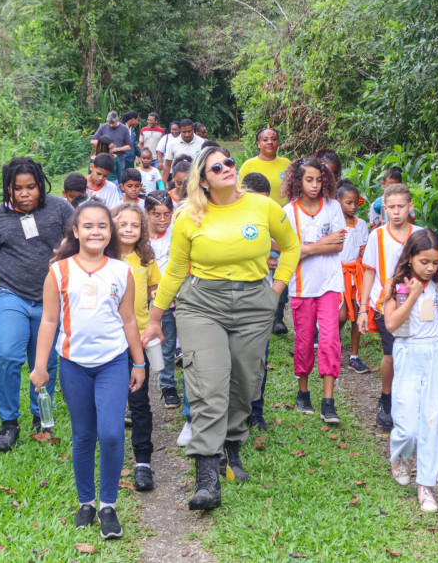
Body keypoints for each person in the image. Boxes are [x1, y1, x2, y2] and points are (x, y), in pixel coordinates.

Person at [138, 146, 299, 511]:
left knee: (244, 382)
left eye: (229, 161)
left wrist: (275, 291)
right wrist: (154, 319)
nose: (228, 168)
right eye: (217, 166)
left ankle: (231, 447)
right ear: (203, 180)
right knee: (208, 384)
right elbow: (177, 269)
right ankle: (207, 479)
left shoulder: (263, 206)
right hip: (201, 306)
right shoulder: (188, 217)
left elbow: (290, 247)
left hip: (254, 301)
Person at [28, 200, 145, 537]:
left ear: (110, 233)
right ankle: (87, 502)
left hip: (112, 363)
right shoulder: (59, 271)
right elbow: (49, 320)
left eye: (102, 226)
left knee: (110, 434)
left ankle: (108, 505)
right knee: (83, 435)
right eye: (89, 226)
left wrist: (138, 361)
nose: (96, 231)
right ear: (76, 231)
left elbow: (129, 320)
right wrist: (39, 367)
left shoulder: (121, 271)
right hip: (73, 364)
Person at [0, 158, 71, 452]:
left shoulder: (59, 209)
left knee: (45, 361)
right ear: (9, 189)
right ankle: (8, 422)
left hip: (51, 298)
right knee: (6, 355)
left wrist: (67, 254)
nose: (25, 193)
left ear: (41, 185)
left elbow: (79, 237)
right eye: (17, 188)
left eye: (31, 186)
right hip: (11, 294)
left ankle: (40, 415)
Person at [380, 228, 438, 513]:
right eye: (424, 262)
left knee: (433, 420)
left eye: (434, 262)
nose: (430, 268)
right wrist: (413, 294)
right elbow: (392, 325)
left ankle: (426, 486)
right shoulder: (394, 284)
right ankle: (399, 457)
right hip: (407, 352)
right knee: (407, 425)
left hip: (434, 352)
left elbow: (436, 311)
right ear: (410, 257)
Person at [281, 157, 347, 423]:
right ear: (298, 180)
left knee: (330, 340)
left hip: (330, 284)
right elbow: (287, 249)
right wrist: (315, 245)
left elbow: (339, 244)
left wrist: (304, 248)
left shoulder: (332, 207)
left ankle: (328, 401)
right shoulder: (288, 211)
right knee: (305, 341)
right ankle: (303, 392)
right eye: (309, 179)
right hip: (301, 287)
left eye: (320, 180)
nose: (315, 185)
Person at [361, 183, 422, 430]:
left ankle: (409, 399)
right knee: (391, 354)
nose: (396, 212)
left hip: (415, 304)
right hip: (384, 304)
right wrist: (363, 308)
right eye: (391, 208)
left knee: (412, 352)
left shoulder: (420, 234)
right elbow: (369, 272)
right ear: (384, 209)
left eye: (401, 207)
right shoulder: (377, 235)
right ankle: (386, 398)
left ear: (410, 207)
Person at [110, 203, 161, 493]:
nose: (129, 229)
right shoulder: (103, 258)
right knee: (112, 402)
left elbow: (155, 288)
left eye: (135, 225)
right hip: (107, 341)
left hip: (138, 339)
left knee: (139, 401)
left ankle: (143, 461)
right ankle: (112, 457)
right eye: (123, 224)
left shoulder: (145, 259)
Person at [238, 127, 292, 334]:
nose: (270, 142)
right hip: (254, 219)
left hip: (278, 219)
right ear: (258, 143)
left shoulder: (286, 164)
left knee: (280, 262)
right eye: (265, 139)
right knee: (260, 261)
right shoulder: (249, 165)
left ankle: (277, 316)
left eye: (274, 139)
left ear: (279, 142)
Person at [241, 172, 277, 432]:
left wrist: (277, 288)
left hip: (260, 297)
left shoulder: (269, 219)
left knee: (258, 357)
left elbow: (289, 246)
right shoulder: (228, 217)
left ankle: (256, 410)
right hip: (229, 296)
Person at [145, 191, 181, 410]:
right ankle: (167, 384)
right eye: (156, 215)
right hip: (156, 300)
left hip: (180, 295)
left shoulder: (176, 233)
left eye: (167, 214)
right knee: (164, 343)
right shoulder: (140, 237)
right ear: (147, 213)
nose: (163, 220)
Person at [337, 182, 371, 374]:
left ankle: (354, 356)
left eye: (355, 203)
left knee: (358, 314)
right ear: (338, 202)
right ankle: (332, 344)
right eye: (348, 202)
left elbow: (364, 250)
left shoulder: (362, 225)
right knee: (340, 315)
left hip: (356, 274)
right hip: (339, 273)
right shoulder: (335, 225)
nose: (352, 207)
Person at [92, 111, 134, 179]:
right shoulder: (103, 127)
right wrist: (104, 145)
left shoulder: (124, 129)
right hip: (104, 157)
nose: (111, 125)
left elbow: (129, 146)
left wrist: (116, 149)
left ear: (117, 120)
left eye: (113, 123)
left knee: (119, 176)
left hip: (119, 157)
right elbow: (93, 140)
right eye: (109, 123)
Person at [162, 119, 205, 183]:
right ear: (180, 130)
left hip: (196, 181)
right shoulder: (172, 144)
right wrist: (164, 183)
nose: (187, 135)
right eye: (184, 132)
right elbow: (167, 165)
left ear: (193, 129)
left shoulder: (202, 143)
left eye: (189, 131)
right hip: (178, 182)